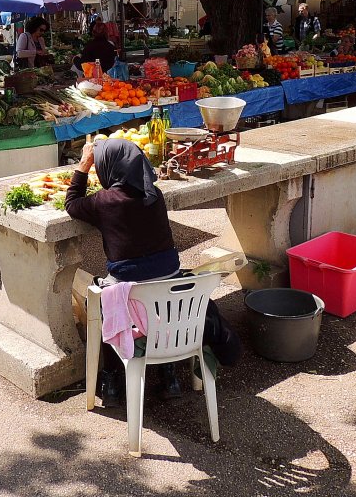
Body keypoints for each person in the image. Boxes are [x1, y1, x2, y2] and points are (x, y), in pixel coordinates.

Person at [66, 139, 241, 405]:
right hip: (171, 295)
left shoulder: (104, 201)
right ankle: (169, 376)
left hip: (131, 294)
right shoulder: (154, 196)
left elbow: (72, 203)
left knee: (107, 300)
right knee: (157, 291)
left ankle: (111, 382)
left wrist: (83, 164)